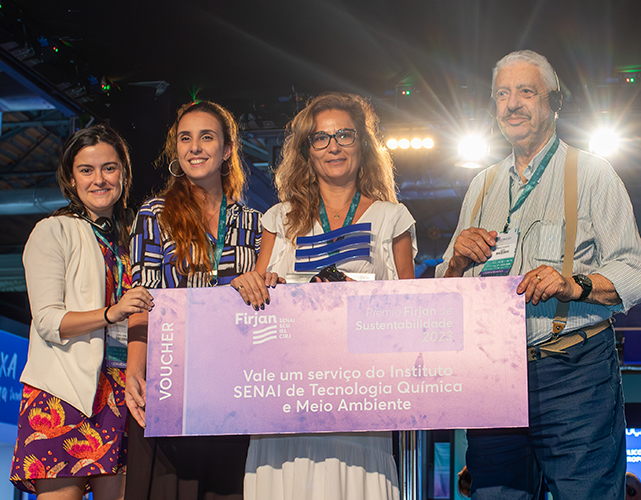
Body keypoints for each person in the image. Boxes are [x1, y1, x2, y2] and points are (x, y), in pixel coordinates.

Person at [436, 49, 641, 499]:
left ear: (554, 102)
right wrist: (454, 265)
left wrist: (575, 284)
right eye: (502, 94)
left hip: (576, 373)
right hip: (494, 377)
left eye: (526, 92)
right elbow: (447, 294)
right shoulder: (481, 185)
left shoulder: (593, 173)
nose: (512, 104)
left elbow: (632, 269)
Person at [233, 91, 416, 500]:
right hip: (286, 399)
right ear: (306, 151)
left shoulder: (393, 217)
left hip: (359, 400)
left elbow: (412, 313)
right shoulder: (278, 218)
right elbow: (255, 298)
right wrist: (248, 284)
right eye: (321, 138)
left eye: (345, 135)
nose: (333, 146)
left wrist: (361, 299)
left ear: (362, 144)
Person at [125, 100, 262, 500]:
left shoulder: (253, 222)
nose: (195, 147)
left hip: (232, 384)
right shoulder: (153, 214)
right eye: (185, 138)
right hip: (170, 381)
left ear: (228, 150)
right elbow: (142, 300)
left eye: (207, 137)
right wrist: (136, 369)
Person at [10, 124, 154, 499]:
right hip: (63, 393)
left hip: (122, 391)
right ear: (70, 179)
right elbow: (47, 321)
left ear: (123, 173)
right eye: (86, 170)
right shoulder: (52, 231)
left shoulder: (132, 239)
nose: (99, 179)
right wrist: (111, 312)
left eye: (109, 168)